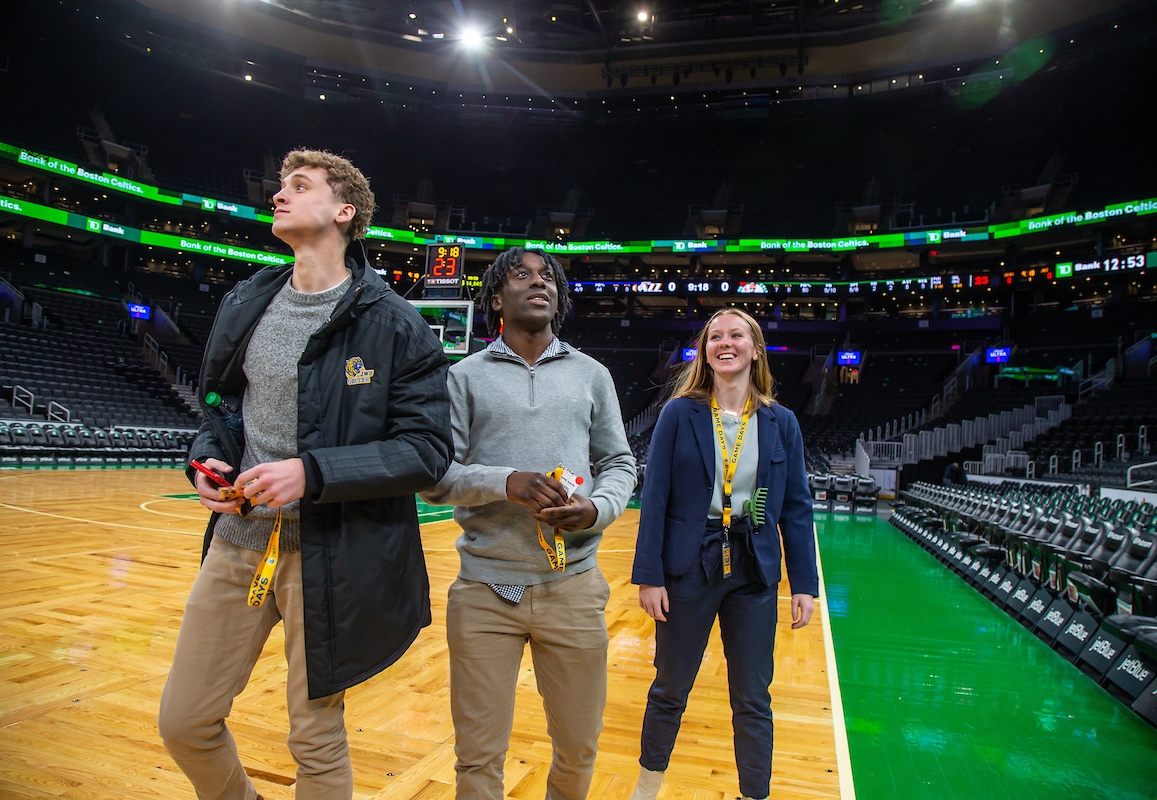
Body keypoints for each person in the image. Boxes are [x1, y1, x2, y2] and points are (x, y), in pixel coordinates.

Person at [159, 149, 453, 800]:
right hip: (238, 544)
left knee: (314, 740)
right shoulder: (247, 301)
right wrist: (207, 459)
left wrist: (312, 472)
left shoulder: (397, 325)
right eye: (280, 186)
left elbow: (428, 449)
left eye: (299, 186)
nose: (278, 195)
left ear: (345, 211)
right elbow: (219, 406)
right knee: (183, 722)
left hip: (332, 555)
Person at [420, 246, 637, 800]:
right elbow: (436, 476)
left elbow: (619, 464)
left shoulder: (592, 375)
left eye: (548, 277)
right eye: (522, 275)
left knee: (579, 747)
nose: (538, 283)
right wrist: (505, 481)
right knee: (477, 757)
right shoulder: (463, 376)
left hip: (573, 586)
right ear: (497, 298)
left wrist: (596, 510)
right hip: (485, 590)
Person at [629, 308, 818, 800]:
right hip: (689, 567)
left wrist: (804, 584)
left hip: (753, 570)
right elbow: (656, 497)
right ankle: (646, 790)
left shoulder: (782, 423)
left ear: (755, 349)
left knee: (753, 698)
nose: (725, 343)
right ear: (705, 350)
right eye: (715, 336)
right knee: (669, 689)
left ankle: (754, 794)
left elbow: (796, 508)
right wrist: (649, 576)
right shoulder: (678, 412)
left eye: (736, 335)